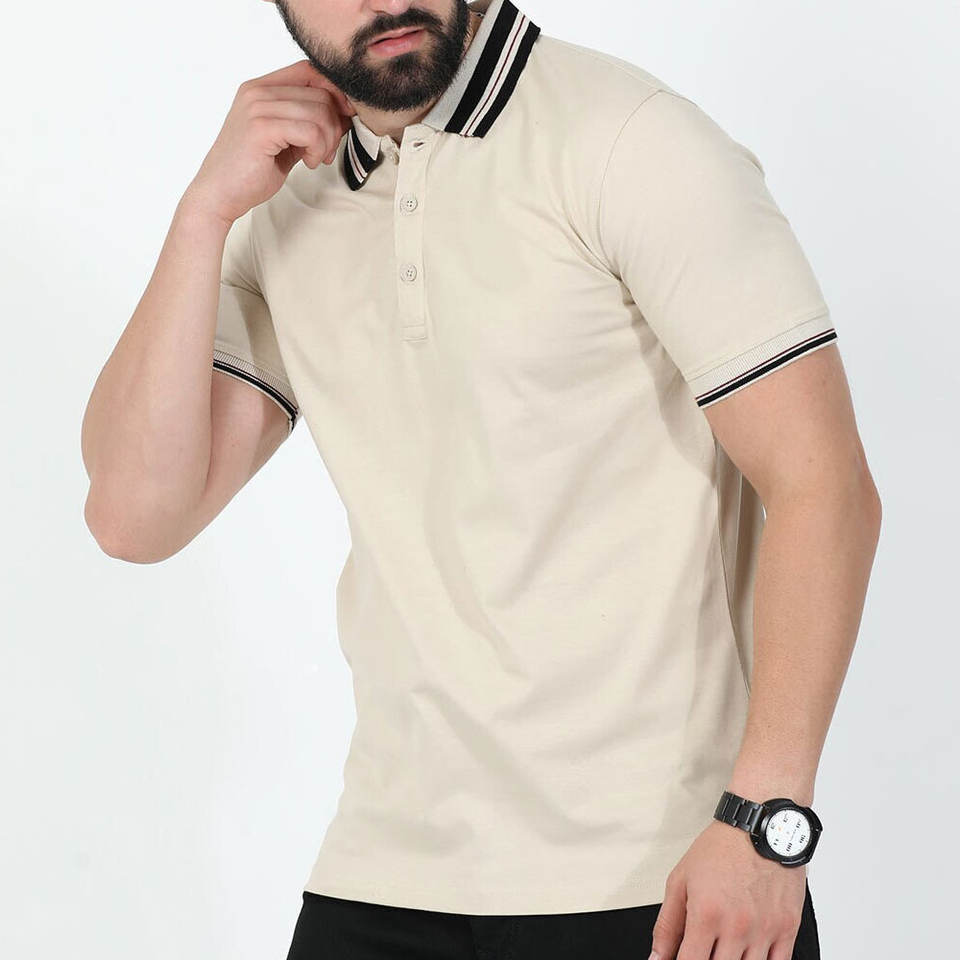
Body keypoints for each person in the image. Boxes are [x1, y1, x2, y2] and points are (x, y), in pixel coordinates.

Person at [80, 1, 882, 958]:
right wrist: (202, 215)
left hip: (660, 877)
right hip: (382, 876)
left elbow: (823, 486)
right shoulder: (286, 197)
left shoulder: (629, 140)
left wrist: (766, 822)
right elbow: (133, 516)